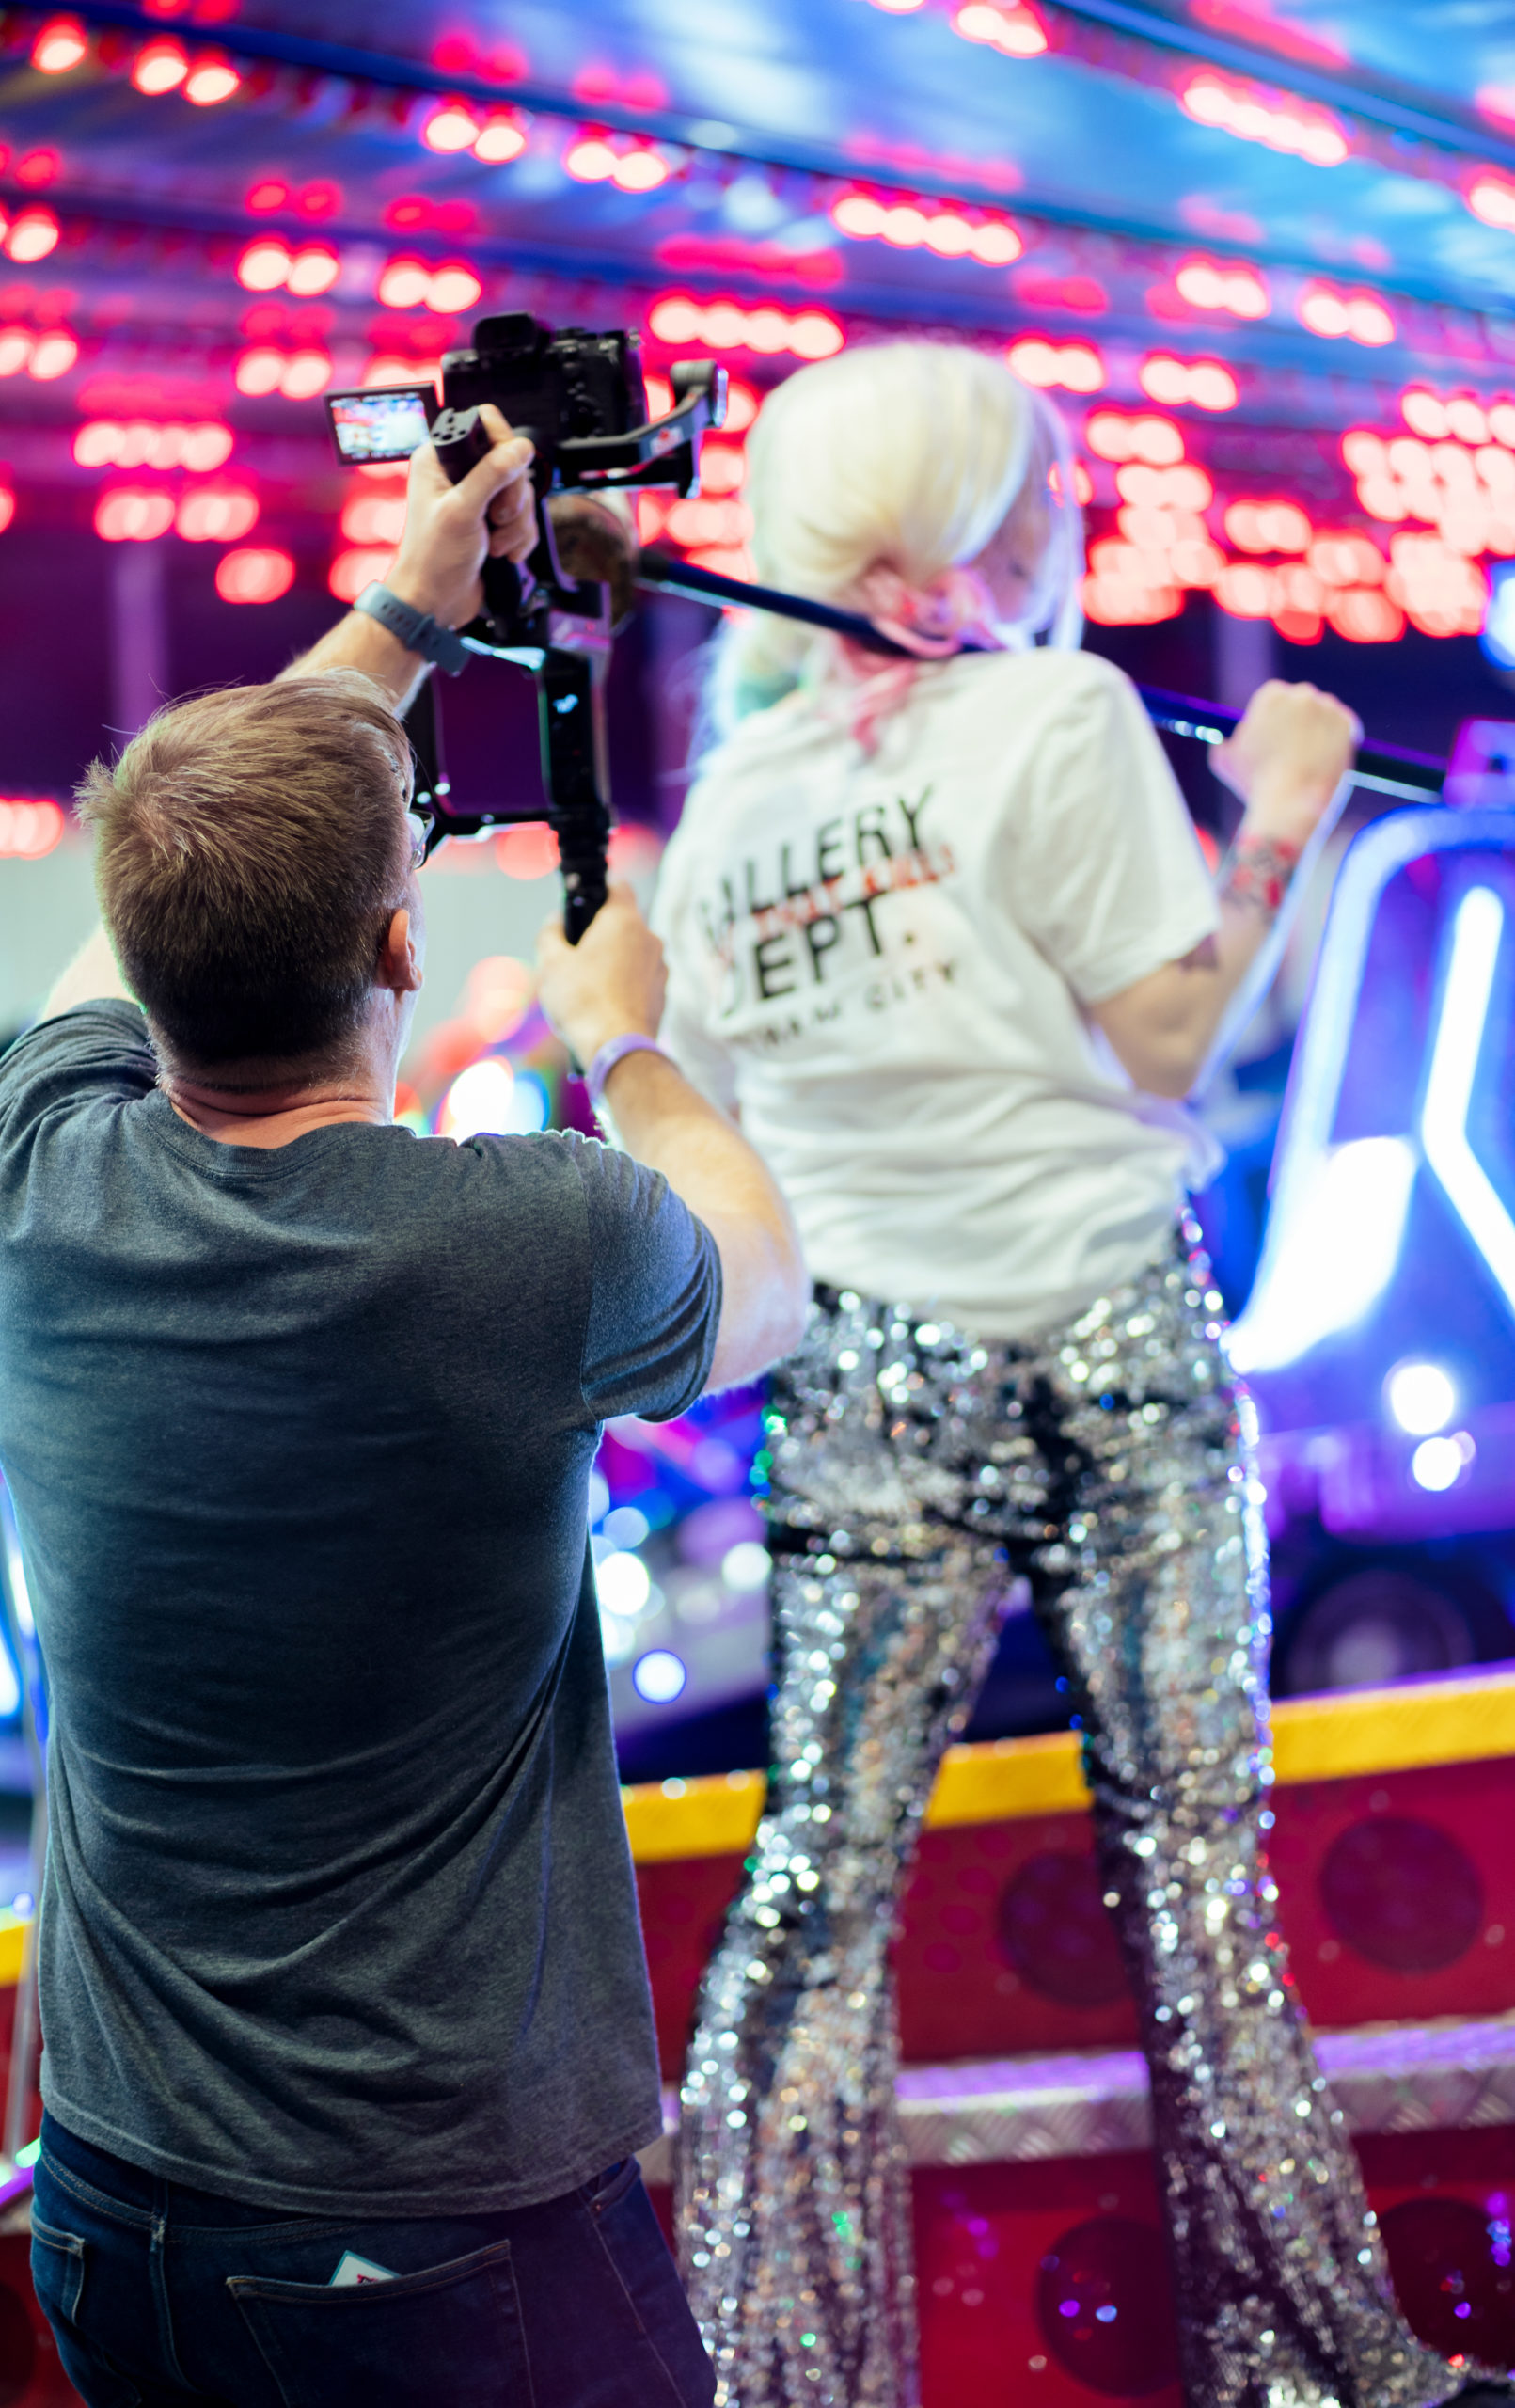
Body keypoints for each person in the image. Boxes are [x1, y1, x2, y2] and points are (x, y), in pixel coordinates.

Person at [653, 342, 1506, 2408]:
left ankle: (770, 2371)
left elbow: (740, 1100)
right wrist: (1279, 814)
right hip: (1100, 1335)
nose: (1068, 528)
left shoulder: (735, 799)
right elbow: (1163, 1039)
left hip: (860, 1367)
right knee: (1188, 1868)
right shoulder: (1058, 714)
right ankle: (1300, 2365)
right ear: (986, 519)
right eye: (1048, 492)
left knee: (811, 1890)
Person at [0, 405, 808, 2408]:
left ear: (136, 956)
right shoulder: (521, 1243)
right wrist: (634, 1052)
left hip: (117, 2197)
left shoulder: (31, 1165)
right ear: (406, 941)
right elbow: (758, 1281)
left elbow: (195, 852)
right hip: (442, 2231)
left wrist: (403, 613)